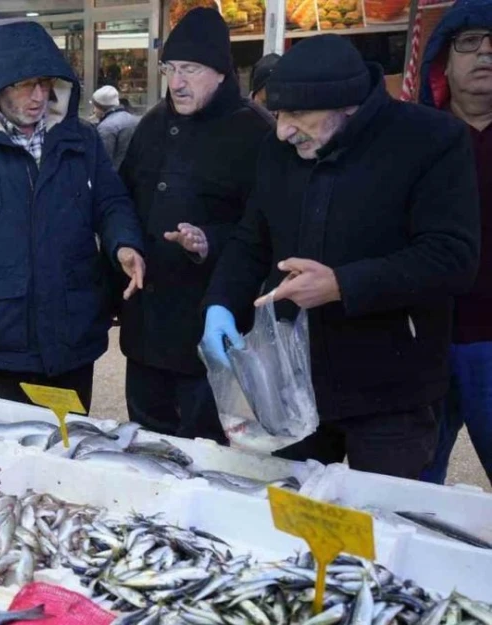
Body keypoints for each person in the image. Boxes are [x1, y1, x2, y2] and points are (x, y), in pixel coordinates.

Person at [201, 35, 480, 479]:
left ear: (347, 107)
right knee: (293, 518)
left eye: (297, 115)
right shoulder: (279, 149)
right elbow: (251, 238)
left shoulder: (431, 140)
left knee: (384, 526)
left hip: (393, 391)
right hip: (295, 382)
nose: (282, 130)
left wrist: (342, 284)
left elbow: (452, 256)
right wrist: (219, 305)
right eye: (277, 114)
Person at [0, 22, 145, 409]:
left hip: (69, 338)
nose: (39, 96)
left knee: (65, 450)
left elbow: (111, 203)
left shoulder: (81, 139)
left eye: (45, 83)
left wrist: (123, 243)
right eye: (25, 85)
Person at [119, 7, 272, 443]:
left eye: (191, 69)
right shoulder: (150, 125)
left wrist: (208, 241)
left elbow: (262, 229)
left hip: (210, 334)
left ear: (221, 73)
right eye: (170, 68)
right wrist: (123, 245)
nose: (177, 82)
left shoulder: (255, 132)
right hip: (146, 330)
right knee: (146, 447)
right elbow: (122, 200)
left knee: (206, 453)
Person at [418, 0, 492, 484]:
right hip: (424, 338)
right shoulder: (414, 142)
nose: (486, 52)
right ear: (443, 60)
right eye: (470, 42)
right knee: (414, 488)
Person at [91, 85, 140, 170]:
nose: (93, 110)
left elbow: (103, 161)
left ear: (102, 107)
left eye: (95, 106)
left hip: (116, 177)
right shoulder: (135, 120)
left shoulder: (106, 127)